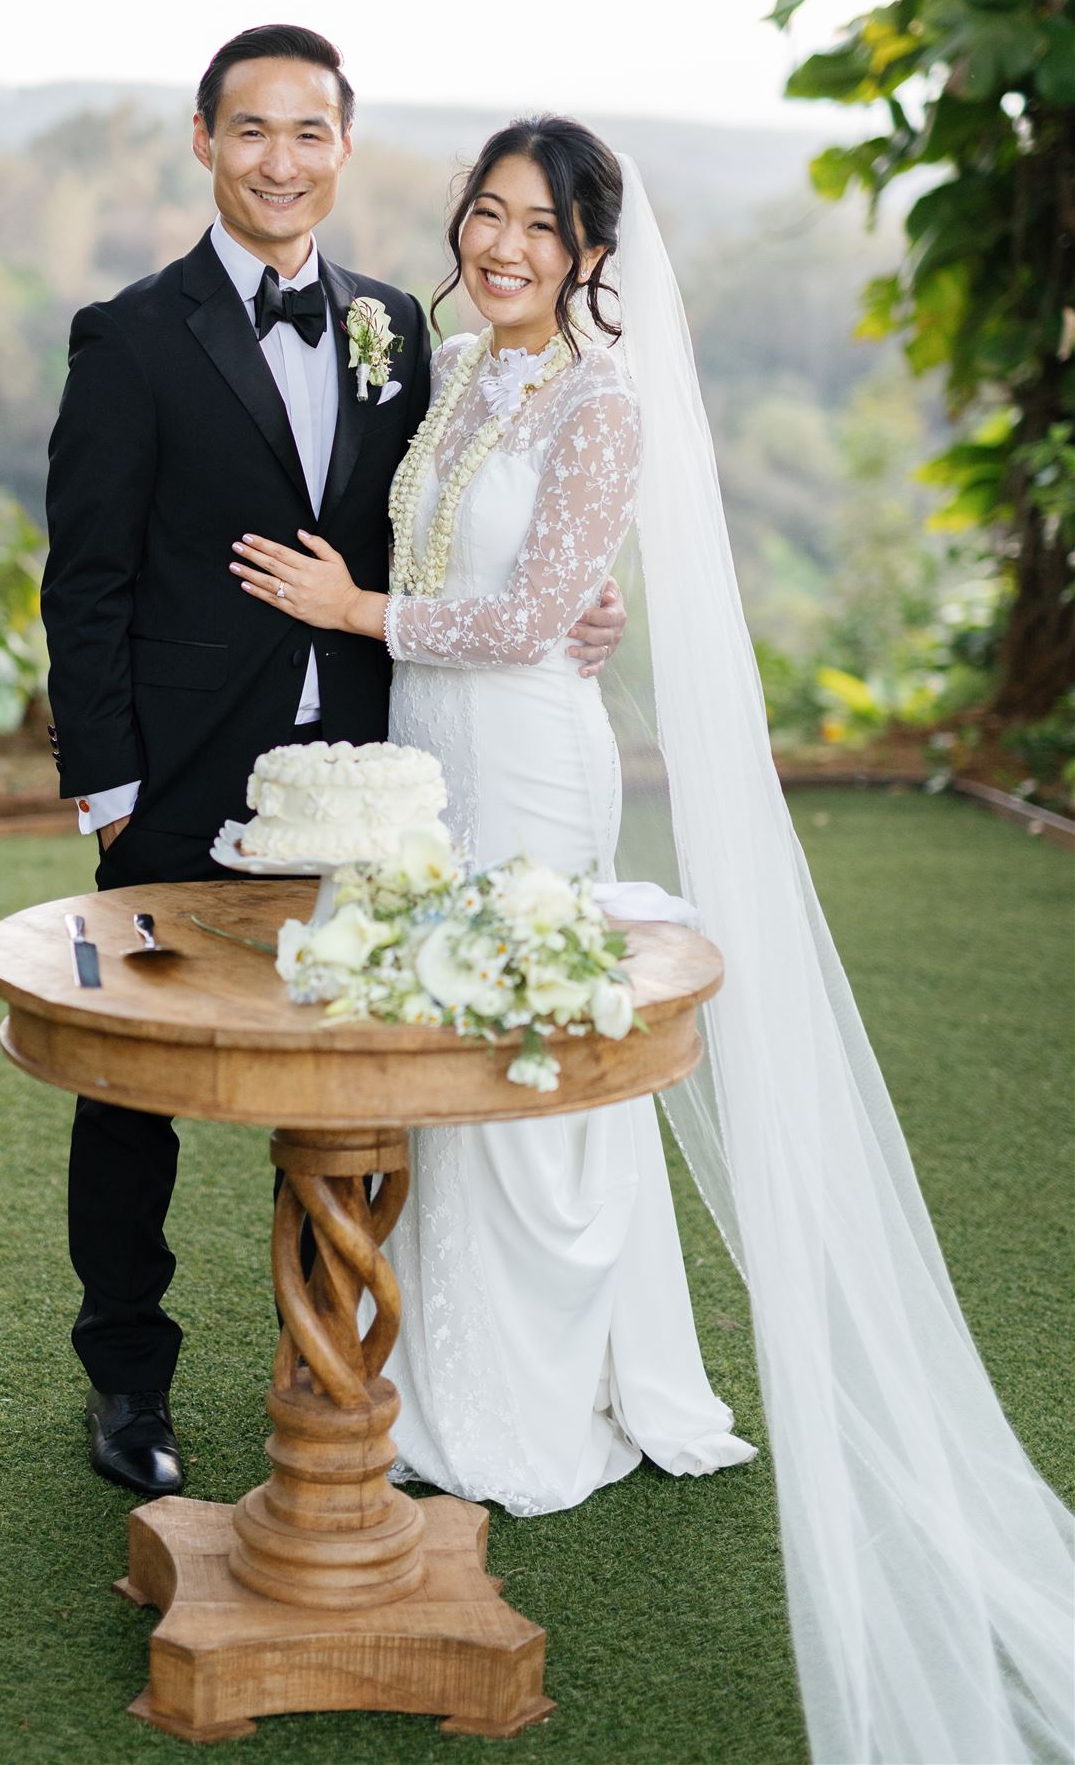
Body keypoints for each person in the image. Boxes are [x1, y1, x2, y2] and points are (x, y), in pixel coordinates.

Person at [232, 117, 1074, 1764]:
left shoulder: (607, 405)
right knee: (426, 1046)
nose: (503, 246)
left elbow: (544, 617)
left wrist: (355, 613)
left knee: (525, 1053)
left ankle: (544, 1395)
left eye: (539, 228)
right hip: (424, 751)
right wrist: (402, 616)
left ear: (592, 253)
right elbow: (483, 551)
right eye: (485, 213)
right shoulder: (460, 367)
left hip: (530, 752)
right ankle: (421, 1372)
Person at [40, 32, 626, 1499]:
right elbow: (85, 580)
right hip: (180, 776)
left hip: (376, 771)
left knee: (349, 1071)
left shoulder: (393, 330)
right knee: (134, 1088)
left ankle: (336, 1362)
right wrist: (111, 788)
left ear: (344, 150)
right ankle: (127, 1381)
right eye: (252, 132)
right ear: (204, 141)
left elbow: (435, 529)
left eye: (310, 132)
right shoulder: (127, 334)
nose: (280, 160)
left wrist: (568, 605)